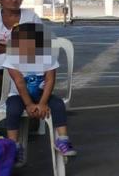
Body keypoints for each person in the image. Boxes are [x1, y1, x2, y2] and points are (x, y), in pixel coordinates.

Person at [4, 23, 76, 165]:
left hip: (42, 95)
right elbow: (20, 83)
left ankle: (62, 140)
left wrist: (42, 103)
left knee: (58, 104)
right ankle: (13, 145)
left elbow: (50, 81)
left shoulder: (48, 58)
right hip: (19, 95)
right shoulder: (11, 60)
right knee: (13, 109)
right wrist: (29, 104)